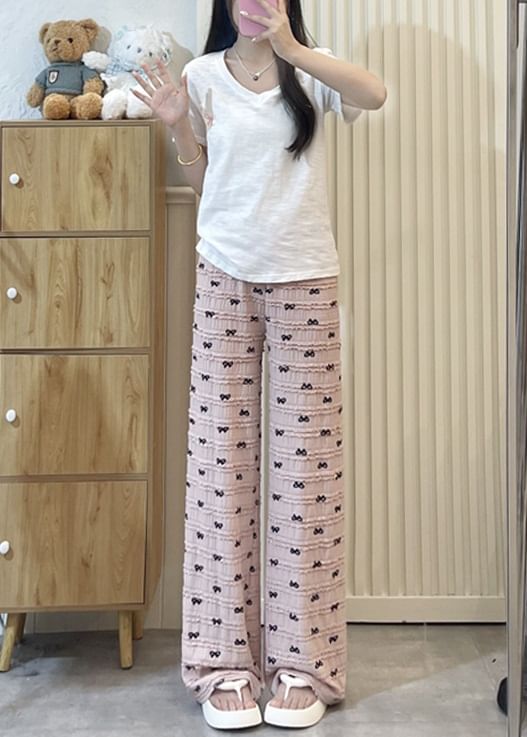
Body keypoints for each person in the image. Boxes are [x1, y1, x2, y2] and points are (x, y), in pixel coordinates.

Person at [132, 0, 386, 729]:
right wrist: (179, 125)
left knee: (307, 472)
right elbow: (205, 185)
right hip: (224, 274)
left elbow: (374, 94)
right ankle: (223, 664)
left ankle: (304, 664)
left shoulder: (313, 70)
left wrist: (294, 50)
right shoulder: (202, 75)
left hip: (306, 277)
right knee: (221, 472)